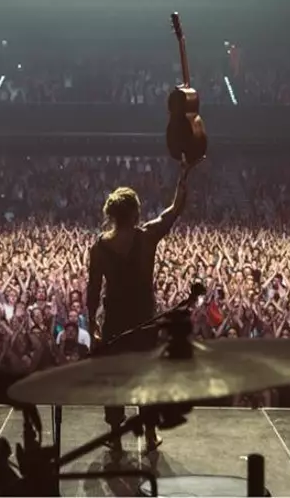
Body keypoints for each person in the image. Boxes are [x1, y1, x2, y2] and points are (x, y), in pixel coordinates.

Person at [86, 160, 193, 452]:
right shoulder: (146, 237)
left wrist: (92, 325)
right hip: (144, 320)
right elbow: (175, 210)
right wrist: (183, 177)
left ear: (111, 215)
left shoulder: (99, 248)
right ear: (135, 213)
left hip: (114, 322)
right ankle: (149, 434)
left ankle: (115, 436)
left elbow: (93, 291)